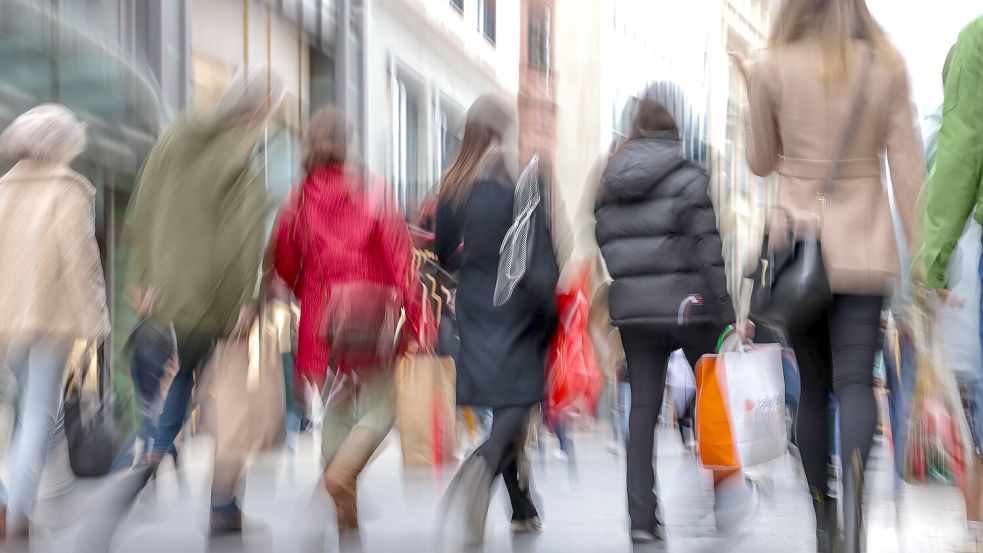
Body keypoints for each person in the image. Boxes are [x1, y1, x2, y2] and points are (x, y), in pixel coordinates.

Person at [735, 0, 925, 550]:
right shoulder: (886, 62)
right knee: (856, 382)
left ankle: (824, 516)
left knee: (814, 387)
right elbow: (907, 167)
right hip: (866, 244)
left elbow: (760, 160)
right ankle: (857, 514)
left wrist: (753, 93)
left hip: (798, 247)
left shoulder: (772, 63)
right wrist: (925, 257)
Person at [125, 66, 280, 532]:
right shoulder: (245, 159)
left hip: (168, 295)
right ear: (259, 106)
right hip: (216, 305)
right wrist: (245, 302)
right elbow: (242, 241)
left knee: (173, 393)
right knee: (233, 403)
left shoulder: (177, 135)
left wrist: (146, 276)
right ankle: (219, 507)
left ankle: (131, 473)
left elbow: (143, 204)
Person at [270, 106, 423, 534]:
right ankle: (339, 477)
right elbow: (401, 262)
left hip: (322, 323)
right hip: (371, 320)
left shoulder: (296, 199)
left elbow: (283, 263)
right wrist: (417, 320)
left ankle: (347, 523)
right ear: (349, 145)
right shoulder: (374, 191)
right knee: (381, 411)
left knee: (336, 414)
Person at [594, 85, 736, 543]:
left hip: (636, 314)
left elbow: (605, 239)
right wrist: (726, 313)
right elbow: (708, 251)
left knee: (642, 409)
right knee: (712, 388)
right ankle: (726, 493)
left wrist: (630, 280)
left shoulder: (609, 180)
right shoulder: (689, 176)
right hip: (686, 307)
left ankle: (641, 520)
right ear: (673, 132)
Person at [435, 95, 556, 542]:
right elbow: (539, 251)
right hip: (519, 305)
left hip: (475, 306)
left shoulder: (455, 185)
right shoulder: (519, 182)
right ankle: (481, 467)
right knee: (518, 403)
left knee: (505, 406)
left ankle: (522, 506)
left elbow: (442, 251)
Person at [0, 104, 110, 539]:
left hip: (8, 320)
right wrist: (96, 323)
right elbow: (82, 264)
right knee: (38, 412)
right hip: (48, 318)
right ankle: (14, 510)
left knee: (24, 411)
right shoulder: (69, 192)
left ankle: (14, 504)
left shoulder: (3, 190)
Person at [920, 17, 983, 550]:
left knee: (977, 408)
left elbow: (959, 158)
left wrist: (931, 267)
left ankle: (974, 528)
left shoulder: (978, 40)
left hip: (963, 289)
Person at [111, 288, 178, 471]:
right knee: (151, 424)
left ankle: (124, 465)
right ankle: (168, 454)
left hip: (156, 385)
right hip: (143, 386)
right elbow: (127, 354)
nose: (137, 303)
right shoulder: (141, 325)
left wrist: (167, 383)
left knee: (147, 424)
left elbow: (174, 359)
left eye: (140, 298)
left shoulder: (164, 325)